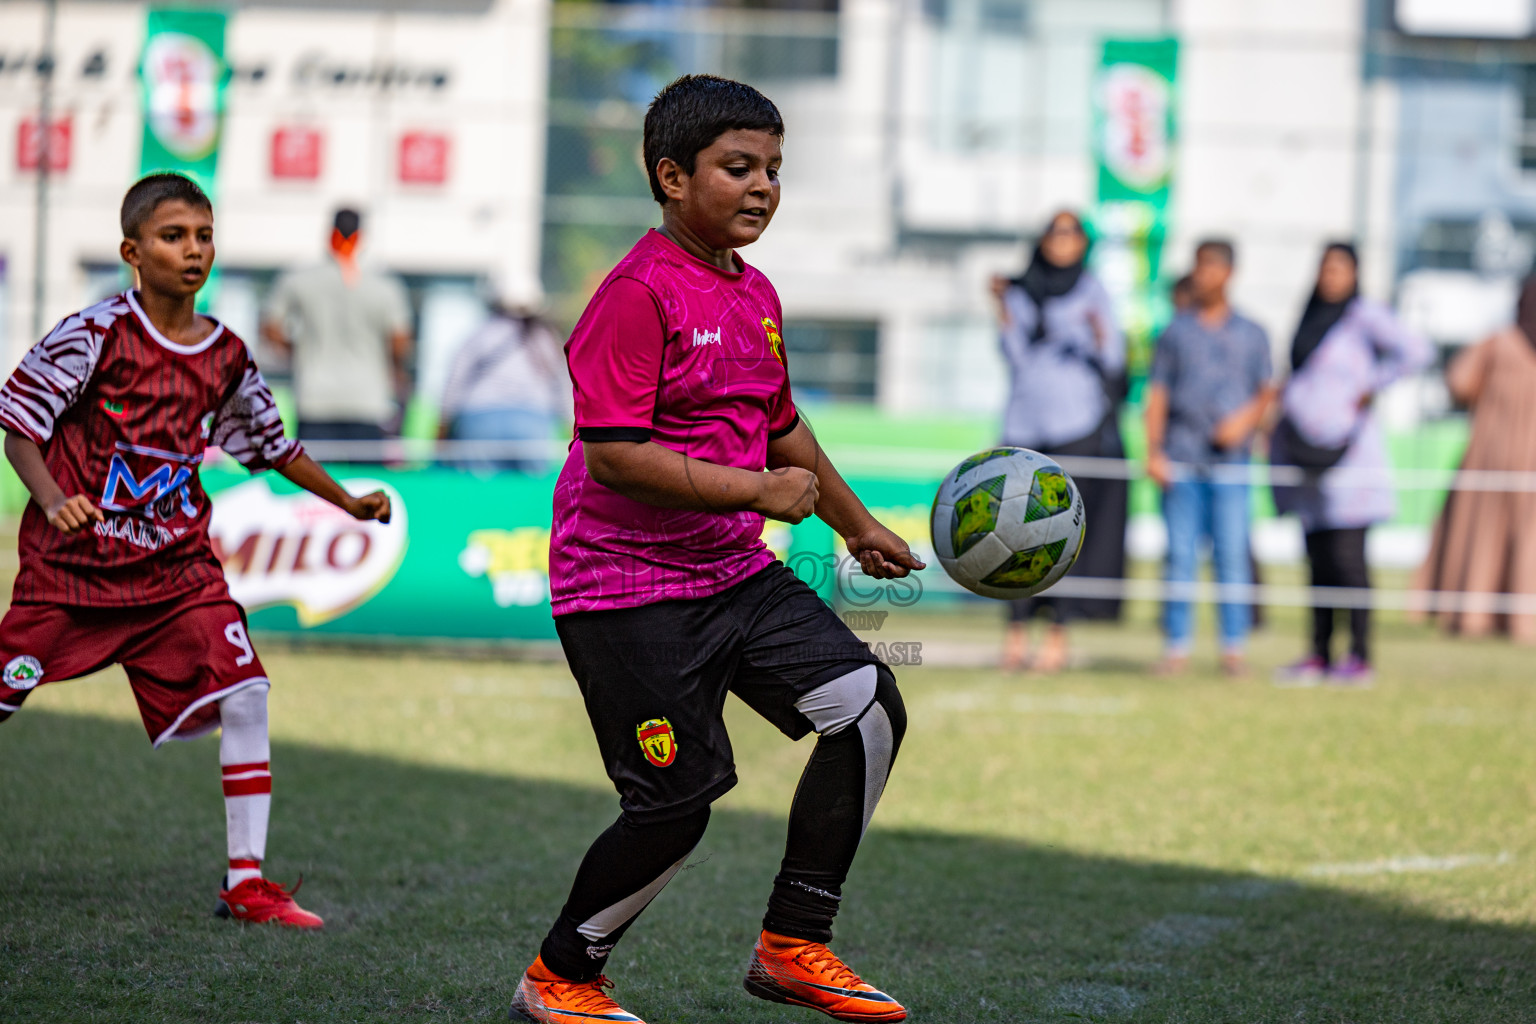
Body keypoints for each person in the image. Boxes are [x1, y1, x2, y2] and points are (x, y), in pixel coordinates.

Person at [509, 75, 924, 1024]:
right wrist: (760, 495)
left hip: (732, 572)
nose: (763, 186)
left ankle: (795, 945)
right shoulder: (635, 294)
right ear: (671, 176)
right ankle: (560, 975)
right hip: (623, 592)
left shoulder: (756, 292)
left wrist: (853, 524)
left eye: (774, 169)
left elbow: (781, 428)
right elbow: (614, 458)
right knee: (677, 803)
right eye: (739, 167)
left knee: (867, 708)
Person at [0, 173, 392, 927]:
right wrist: (53, 499)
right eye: (173, 236)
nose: (192, 251)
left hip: (175, 574)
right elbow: (21, 426)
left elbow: (272, 447)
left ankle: (246, 884)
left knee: (246, 690)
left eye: (203, 236)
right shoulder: (94, 334)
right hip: (72, 576)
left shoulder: (226, 355)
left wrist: (347, 499)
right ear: (132, 252)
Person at [1272, 243, 1431, 685]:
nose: (1331, 276)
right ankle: (1319, 653)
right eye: (1325, 267)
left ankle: (1359, 656)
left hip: (1350, 460)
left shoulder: (1364, 316)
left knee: (1348, 559)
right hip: (1307, 458)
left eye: (1341, 268)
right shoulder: (1310, 317)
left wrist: (1371, 386)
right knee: (1317, 558)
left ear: (1356, 273)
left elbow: (1416, 351)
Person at [989, 210, 1127, 672]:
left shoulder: (1093, 290)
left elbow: (1114, 357)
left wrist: (1097, 332)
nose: (1062, 241)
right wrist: (1003, 309)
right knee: (1015, 530)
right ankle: (1015, 629)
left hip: (1077, 426)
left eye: (1072, 233)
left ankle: (1057, 632)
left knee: (1064, 533)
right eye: (1055, 231)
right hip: (1026, 423)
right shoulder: (1023, 289)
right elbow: (1014, 354)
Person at [1145, 239, 1276, 676]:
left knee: (1232, 556)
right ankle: (1176, 647)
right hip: (1182, 459)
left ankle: (1232, 649)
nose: (1203, 276)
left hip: (1232, 463)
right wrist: (1153, 451)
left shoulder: (1254, 333)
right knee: (1180, 556)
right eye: (1198, 267)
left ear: (1228, 273)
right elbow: (1158, 394)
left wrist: (1246, 422)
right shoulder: (1174, 332)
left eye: (1211, 267)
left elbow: (1267, 392)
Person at [1414, 274, 1536, 643]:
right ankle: (1524, 624)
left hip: (1491, 455)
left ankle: (1473, 617)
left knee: (1481, 537)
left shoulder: (1500, 343)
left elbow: (1459, 382)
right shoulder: (1499, 344)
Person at [261, 208, 413, 448]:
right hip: (368, 401)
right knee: (366, 483)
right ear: (361, 236)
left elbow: (270, 327)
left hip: (315, 399)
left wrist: (297, 351)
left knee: (316, 483)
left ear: (329, 234)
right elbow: (400, 344)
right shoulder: (385, 286)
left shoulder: (299, 279)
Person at [438, 284, 571, 473]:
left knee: (480, 494)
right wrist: (569, 426)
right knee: (532, 496)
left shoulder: (482, 332)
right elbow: (562, 386)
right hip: (533, 423)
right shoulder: (546, 338)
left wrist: (443, 426)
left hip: (480, 421)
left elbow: (455, 381)